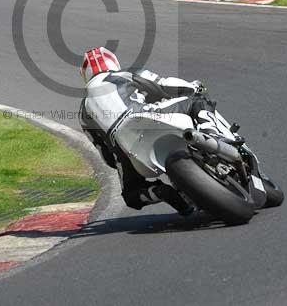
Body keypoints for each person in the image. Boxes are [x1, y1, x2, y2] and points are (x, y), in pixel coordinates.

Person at [79, 47, 221, 216]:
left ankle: (159, 192)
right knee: (197, 102)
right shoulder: (123, 74)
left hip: (124, 146)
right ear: (113, 62)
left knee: (131, 195)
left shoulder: (83, 112)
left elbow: (105, 153)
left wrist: (122, 158)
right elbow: (163, 84)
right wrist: (192, 87)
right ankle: (214, 135)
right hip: (145, 116)